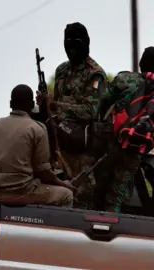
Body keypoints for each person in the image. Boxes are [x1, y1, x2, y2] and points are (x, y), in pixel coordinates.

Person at [37, 22, 107, 209]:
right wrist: (44, 104)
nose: (71, 47)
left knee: (81, 196)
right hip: (57, 143)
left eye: (76, 42)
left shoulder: (95, 74)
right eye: (68, 42)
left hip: (81, 147)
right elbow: (53, 109)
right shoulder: (62, 70)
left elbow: (90, 111)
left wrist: (56, 105)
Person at [93, 46, 154, 213]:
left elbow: (103, 102)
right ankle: (109, 223)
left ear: (141, 63)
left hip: (109, 143)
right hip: (135, 150)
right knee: (117, 197)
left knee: (95, 188)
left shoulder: (124, 80)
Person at [0, 84, 76, 207]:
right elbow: (43, 172)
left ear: (10, 104)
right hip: (20, 193)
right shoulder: (37, 128)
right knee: (66, 195)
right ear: (32, 105)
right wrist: (63, 184)